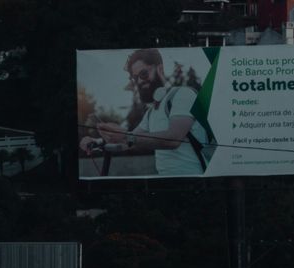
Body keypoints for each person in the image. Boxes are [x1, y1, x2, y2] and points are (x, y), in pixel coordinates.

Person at [79, 48, 212, 176]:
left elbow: (174, 139)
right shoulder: (150, 113)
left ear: (160, 69)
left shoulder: (182, 94)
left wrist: (125, 136)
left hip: (194, 180)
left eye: (143, 74)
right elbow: (128, 142)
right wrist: (96, 142)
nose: (139, 81)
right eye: (135, 78)